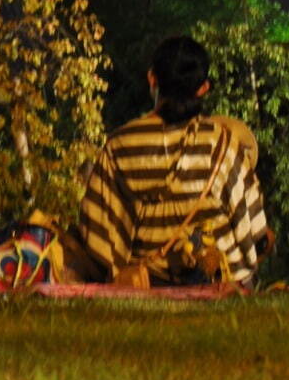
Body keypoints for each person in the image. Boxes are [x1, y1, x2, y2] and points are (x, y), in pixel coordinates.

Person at [77, 35, 270, 287]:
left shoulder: (120, 144)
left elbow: (98, 227)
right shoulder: (222, 142)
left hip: (148, 279)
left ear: (152, 78)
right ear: (203, 88)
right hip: (217, 281)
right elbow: (253, 228)